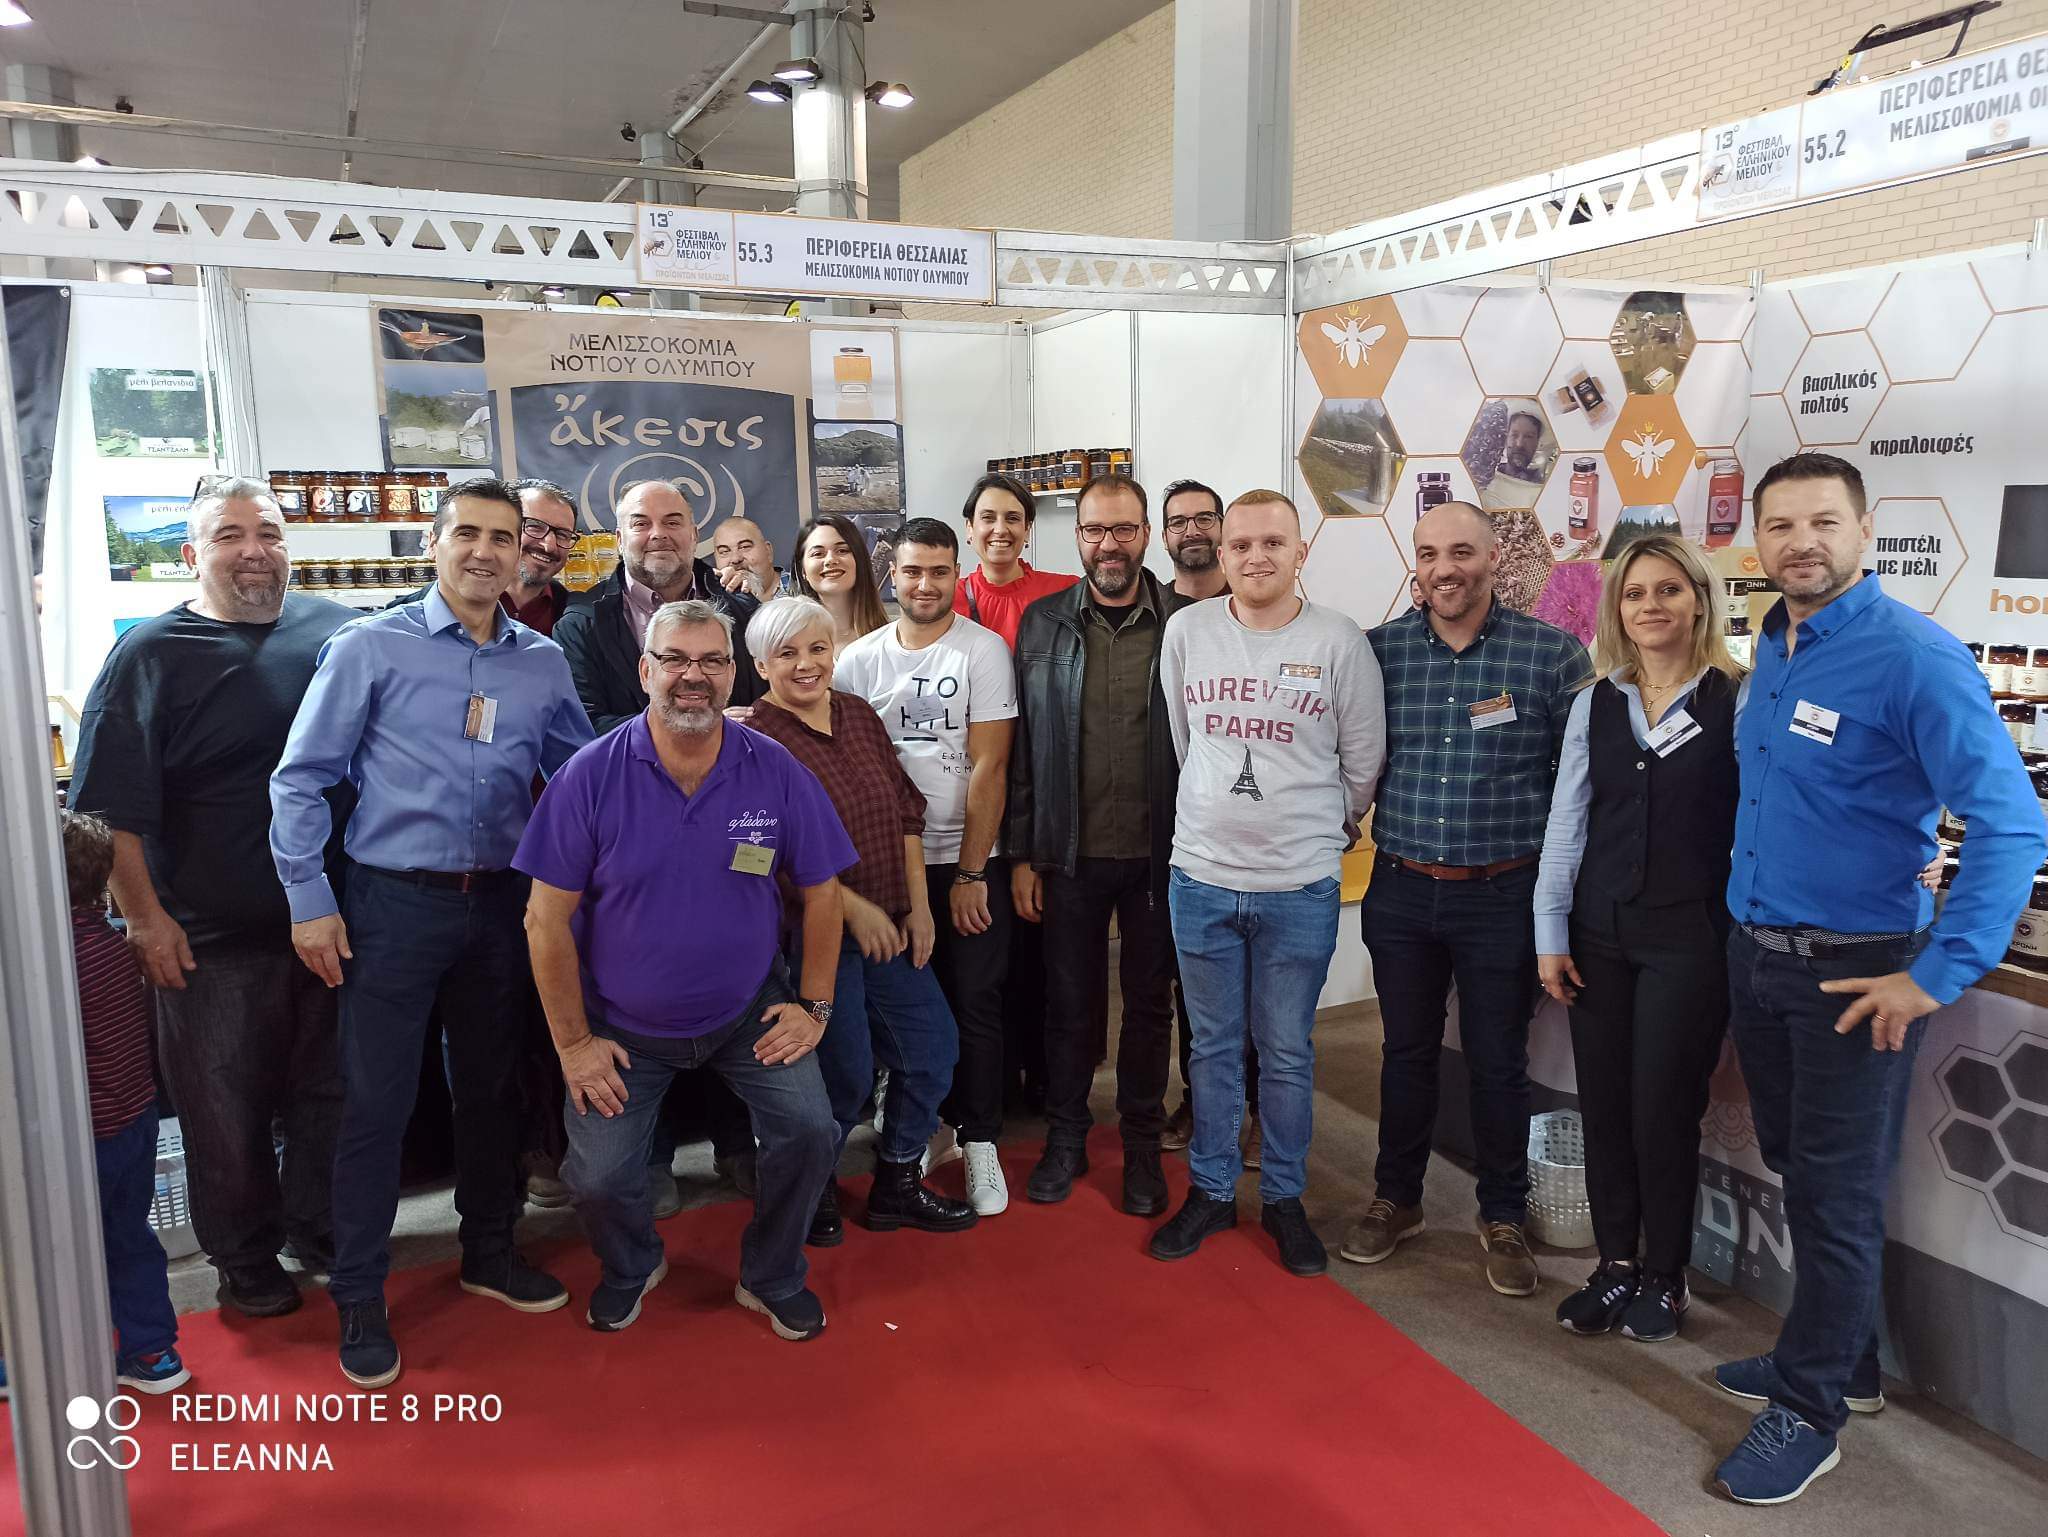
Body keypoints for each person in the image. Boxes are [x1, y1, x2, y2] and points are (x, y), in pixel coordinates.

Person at [1707, 452, 2043, 1506]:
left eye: (1822, 522)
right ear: (1758, 542)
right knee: (1795, 1167)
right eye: (1779, 525)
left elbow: (2009, 823)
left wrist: (1935, 973)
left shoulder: (1912, 657)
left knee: (1837, 1193)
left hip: (1858, 974)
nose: (1799, 542)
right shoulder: (1772, 645)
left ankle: (1810, 1412)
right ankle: (1841, 1359)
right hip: (1757, 955)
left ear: (1862, 529)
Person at [270, 476, 595, 1388]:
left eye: (504, 536)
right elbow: (300, 778)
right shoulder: (369, 646)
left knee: (490, 1090)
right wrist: (307, 896)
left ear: (523, 549)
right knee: (375, 1103)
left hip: (501, 904)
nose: (486, 551)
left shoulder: (542, 661)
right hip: (392, 904)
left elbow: (580, 774)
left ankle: (489, 1250)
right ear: (434, 544)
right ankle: (361, 1292)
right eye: (469, 534)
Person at [515, 599, 848, 1341]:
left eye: (711, 661)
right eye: (674, 659)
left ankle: (772, 1273)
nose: (692, 676)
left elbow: (824, 891)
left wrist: (815, 1005)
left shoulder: (773, 767)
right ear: (645, 671)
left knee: (809, 1130)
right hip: (621, 1024)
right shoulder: (589, 776)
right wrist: (574, 1045)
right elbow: (544, 921)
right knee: (595, 1178)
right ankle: (632, 1265)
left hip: (746, 1009)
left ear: (733, 674)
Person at [70, 474, 353, 1318]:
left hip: (332, 922)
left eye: (268, 533)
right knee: (223, 1114)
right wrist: (145, 920)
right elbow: (107, 810)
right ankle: (245, 1260)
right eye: (230, 536)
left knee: (331, 1097)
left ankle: (321, 1229)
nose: (253, 551)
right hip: (209, 937)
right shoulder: (150, 655)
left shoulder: (337, 632)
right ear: (193, 554)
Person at [1343, 500, 1592, 1295]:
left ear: (1492, 559)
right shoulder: (1377, 652)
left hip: (1503, 894)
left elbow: (1578, 790)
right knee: (1405, 1052)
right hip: (1401, 890)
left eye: (1459, 552)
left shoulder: (1552, 655)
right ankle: (1397, 1198)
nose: (1443, 569)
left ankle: (1503, 1214)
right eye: (1428, 554)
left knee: (1498, 1061)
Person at [1150, 490, 1385, 1276]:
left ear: (1299, 552)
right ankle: (1212, 1190)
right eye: (1241, 543)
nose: (1256, 556)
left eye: (1273, 543)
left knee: (1284, 1050)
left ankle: (1284, 1197)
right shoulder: (1187, 632)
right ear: (1221, 554)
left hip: (1298, 884)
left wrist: (1314, 825)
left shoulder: (1338, 641)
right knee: (1213, 1047)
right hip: (1202, 877)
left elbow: (1362, 761)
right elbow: (1185, 742)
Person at [1532, 535, 1741, 1342]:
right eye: (1634, 593)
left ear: (1699, 599)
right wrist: (1551, 932)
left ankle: (1665, 1275)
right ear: (1616, 610)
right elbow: (1567, 822)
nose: (1650, 605)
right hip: (1600, 930)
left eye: (1668, 589)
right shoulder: (1596, 701)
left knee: (1663, 1109)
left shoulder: (1735, 698)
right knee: (1606, 1104)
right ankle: (1615, 1263)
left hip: (1690, 934)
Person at [743, 597, 978, 1242]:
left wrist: (919, 908)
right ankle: (811, 1185)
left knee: (931, 1051)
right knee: (840, 1076)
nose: (806, 664)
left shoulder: (859, 714)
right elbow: (762, 851)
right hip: (812, 939)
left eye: (818, 649)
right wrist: (854, 909)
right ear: (760, 664)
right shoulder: (754, 739)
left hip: (892, 925)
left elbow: (905, 813)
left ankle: (896, 1182)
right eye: (787, 653)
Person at [836, 518, 1019, 1215]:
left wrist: (971, 873)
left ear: (956, 574)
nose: (925, 584)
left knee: (975, 1004)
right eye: (912, 570)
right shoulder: (859, 660)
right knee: (907, 1010)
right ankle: (914, 1137)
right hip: (887, 867)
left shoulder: (983, 650)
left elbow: (990, 766)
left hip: (965, 859)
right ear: (892, 574)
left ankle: (980, 1140)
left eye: (939, 571)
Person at [1010, 474, 1181, 1217]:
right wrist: (1025, 852)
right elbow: (1022, 746)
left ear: (1146, 535)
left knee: (1148, 1005)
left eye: (1123, 530)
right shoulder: (1043, 623)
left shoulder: (1185, 621)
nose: (1108, 545)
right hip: (1069, 852)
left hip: (1160, 854)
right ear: (1076, 536)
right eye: (1094, 531)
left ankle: (1141, 1143)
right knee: (1070, 1003)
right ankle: (1067, 1135)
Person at [61, 812, 190, 1394]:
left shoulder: (53, 962)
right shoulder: (112, 945)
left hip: (82, 1138)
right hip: (134, 1122)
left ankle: (53, 1358)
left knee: (53, 1250)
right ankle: (153, 1351)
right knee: (130, 1238)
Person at [1155, 477, 1253, 1156]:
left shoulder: (1256, 605)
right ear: (1163, 535)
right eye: (1178, 521)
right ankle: (1200, 1101)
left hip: (1245, 830)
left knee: (1259, 990)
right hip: (1168, 828)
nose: (1192, 530)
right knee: (1192, 986)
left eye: (1204, 518)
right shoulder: (1154, 613)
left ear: (1222, 530)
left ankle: (1258, 1109)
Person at [555, 479, 764, 732]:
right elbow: (584, 725)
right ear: (619, 540)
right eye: (641, 524)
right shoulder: (581, 624)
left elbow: (772, 701)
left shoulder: (744, 609)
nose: (658, 534)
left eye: (672, 522)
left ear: (694, 535)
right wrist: (702, 729)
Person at [390, 478, 582, 634]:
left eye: (563, 535)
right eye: (534, 526)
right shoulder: (393, 628)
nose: (548, 545)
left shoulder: (581, 619)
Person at [953, 471, 1080, 649]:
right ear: (970, 528)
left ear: (1027, 529)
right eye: (988, 518)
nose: (1000, 529)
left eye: (1012, 518)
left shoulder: (1067, 591)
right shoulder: (949, 598)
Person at [793, 512, 889, 652]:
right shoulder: (790, 641)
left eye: (842, 550)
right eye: (818, 554)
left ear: (859, 561)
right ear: (803, 570)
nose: (830, 560)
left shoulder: (889, 640)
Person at [1478, 407, 1547, 510]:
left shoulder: (1543, 491)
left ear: (1537, 442)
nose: (1519, 444)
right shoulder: (1484, 481)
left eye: (1528, 437)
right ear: (1506, 437)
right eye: (1514, 435)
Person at [711, 515, 793, 600]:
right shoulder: (714, 603)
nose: (736, 559)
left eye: (744, 547)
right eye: (724, 551)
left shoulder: (801, 590)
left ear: (768, 551)